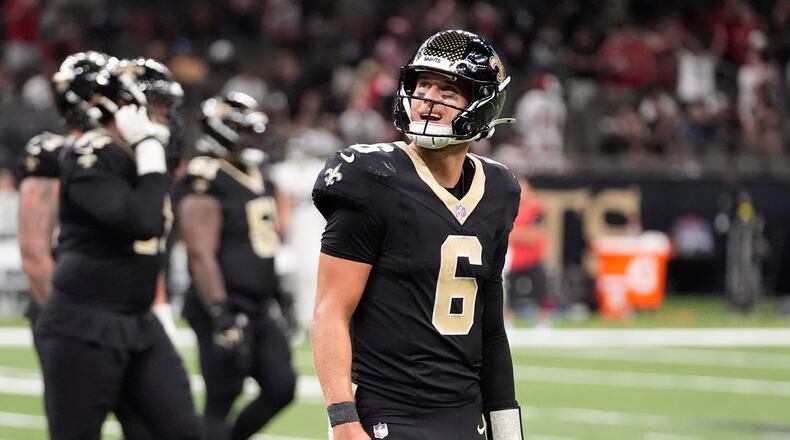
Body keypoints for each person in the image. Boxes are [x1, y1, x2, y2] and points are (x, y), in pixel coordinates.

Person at [311, 29, 524, 440]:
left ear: (481, 104)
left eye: (447, 90)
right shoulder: (371, 177)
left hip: (466, 415)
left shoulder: (500, 189)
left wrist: (506, 425)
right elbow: (330, 310)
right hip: (391, 412)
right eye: (422, 85)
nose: (428, 98)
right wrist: (342, 420)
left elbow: (490, 327)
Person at [33, 58, 203, 440]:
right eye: (156, 106)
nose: (166, 118)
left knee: (183, 430)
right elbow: (141, 219)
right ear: (122, 106)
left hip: (138, 320)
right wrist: (148, 147)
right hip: (84, 321)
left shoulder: (146, 159)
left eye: (168, 108)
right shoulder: (89, 154)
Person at [175, 92, 296, 440]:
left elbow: (263, 243)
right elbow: (200, 253)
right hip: (223, 304)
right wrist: (220, 313)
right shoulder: (206, 177)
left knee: (280, 386)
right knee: (222, 397)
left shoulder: (256, 172)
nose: (251, 139)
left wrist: (278, 292)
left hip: (258, 305)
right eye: (243, 131)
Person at [505, 177, 549, 321]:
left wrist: (516, 233)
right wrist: (522, 234)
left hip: (533, 258)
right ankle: (507, 317)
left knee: (541, 290)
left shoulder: (535, 207)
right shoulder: (509, 207)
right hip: (514, 260)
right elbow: (505, 234)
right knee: (507, 291)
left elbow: (535, 235)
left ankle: (543, 319)